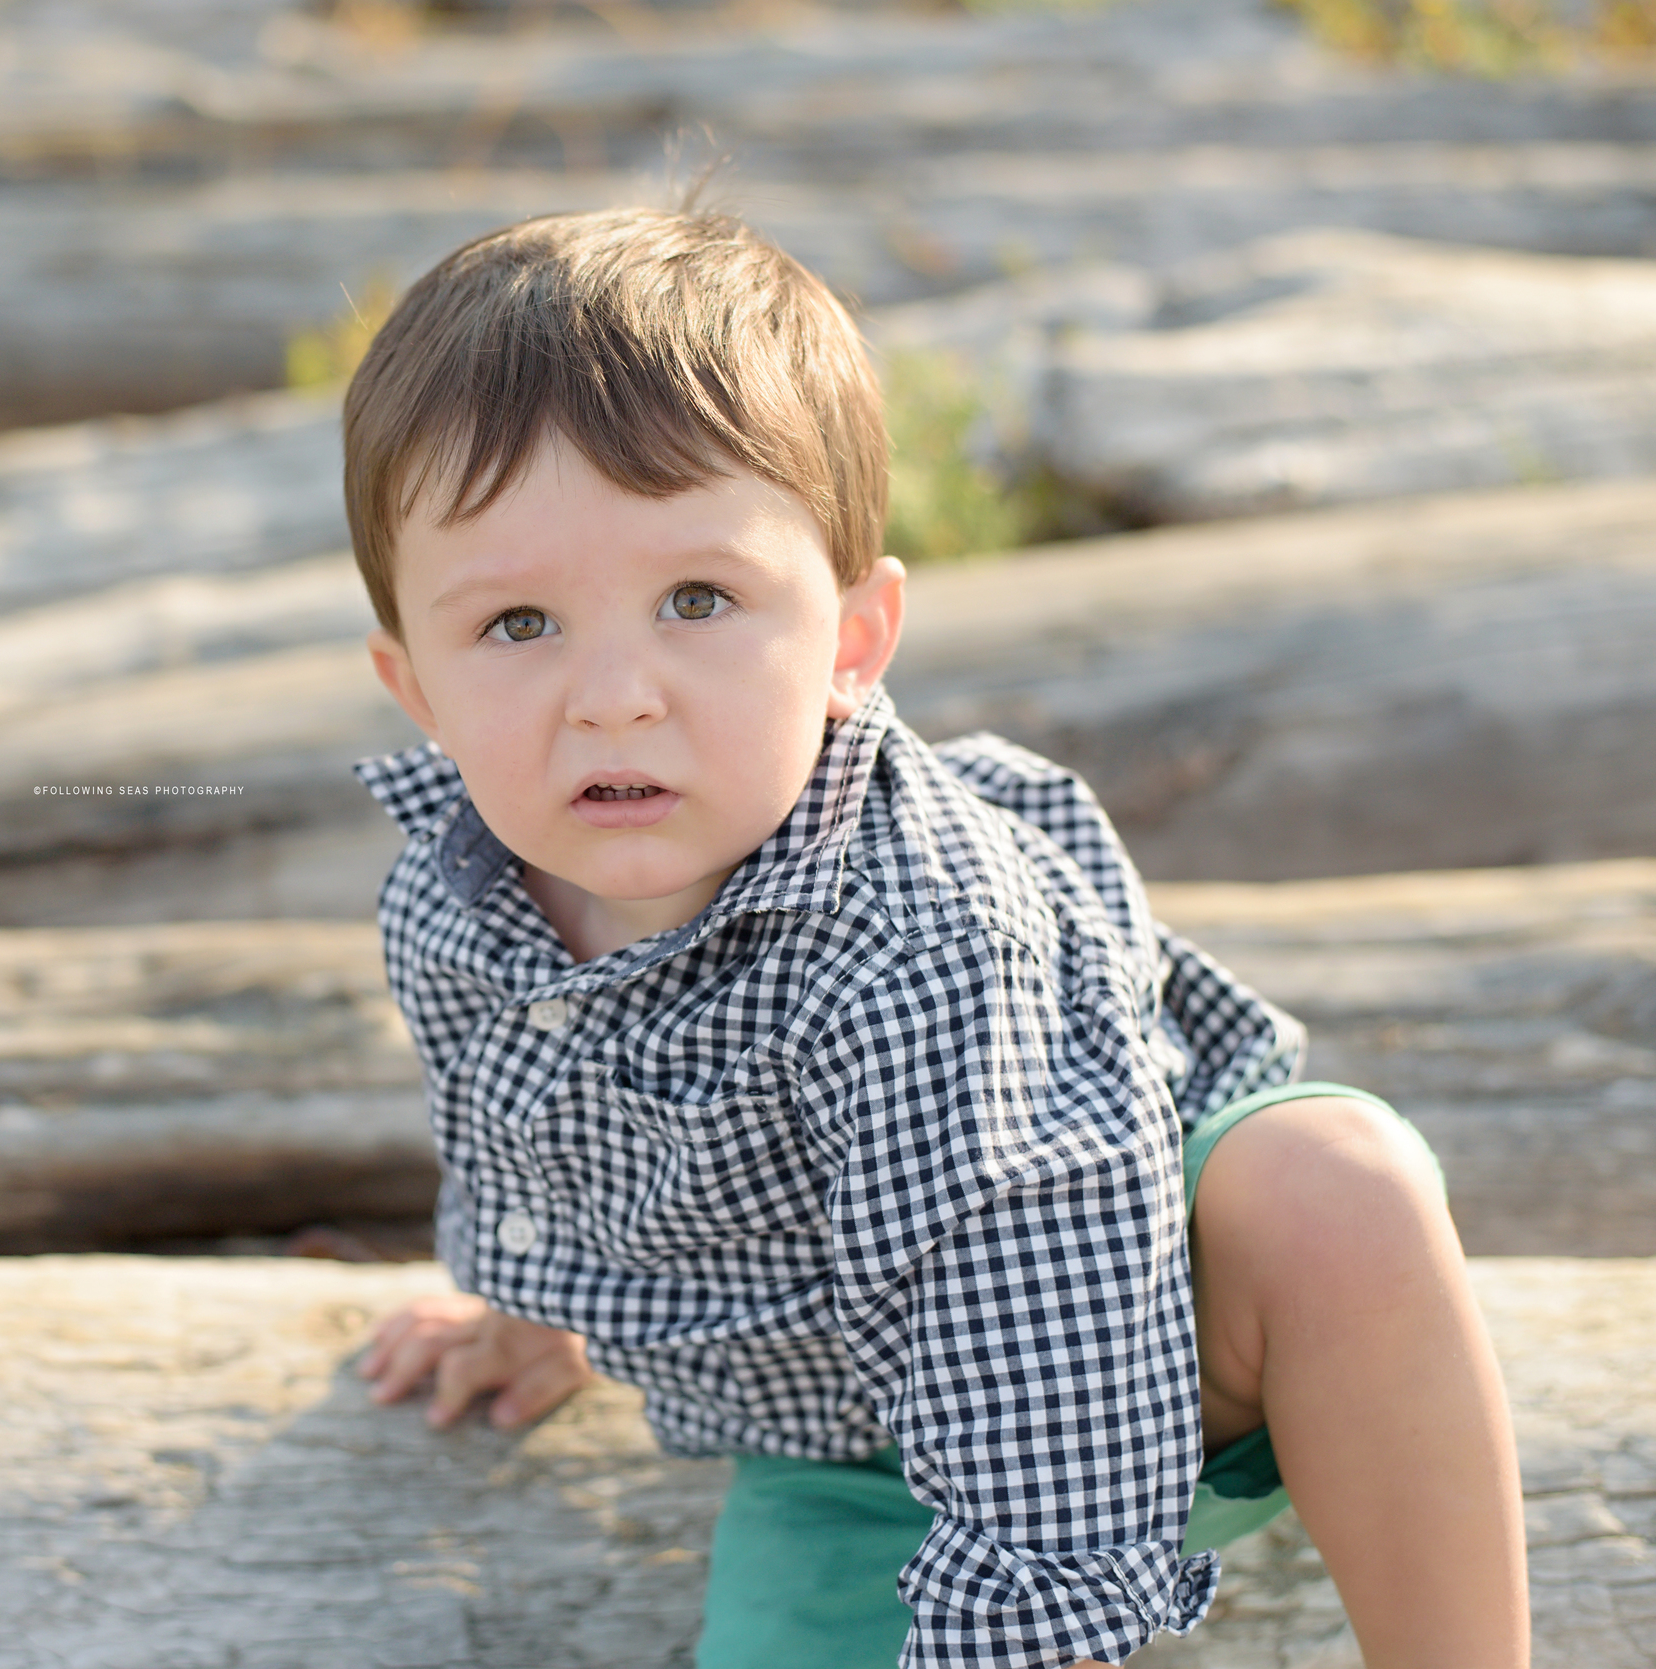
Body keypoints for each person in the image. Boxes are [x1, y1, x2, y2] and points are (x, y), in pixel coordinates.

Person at [338, 206, 1528, 1669]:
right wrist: (533, 1301)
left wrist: (1031, 1623)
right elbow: (529, 1129)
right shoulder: (457, 899)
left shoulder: (919, 934)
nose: (615, 695)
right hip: (844, 1445)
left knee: (1333, 1185)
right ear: (417, 688)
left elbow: (1041, 1323)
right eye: (518, 624)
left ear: (850, 639)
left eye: (697, 599)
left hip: (1145, 1341)